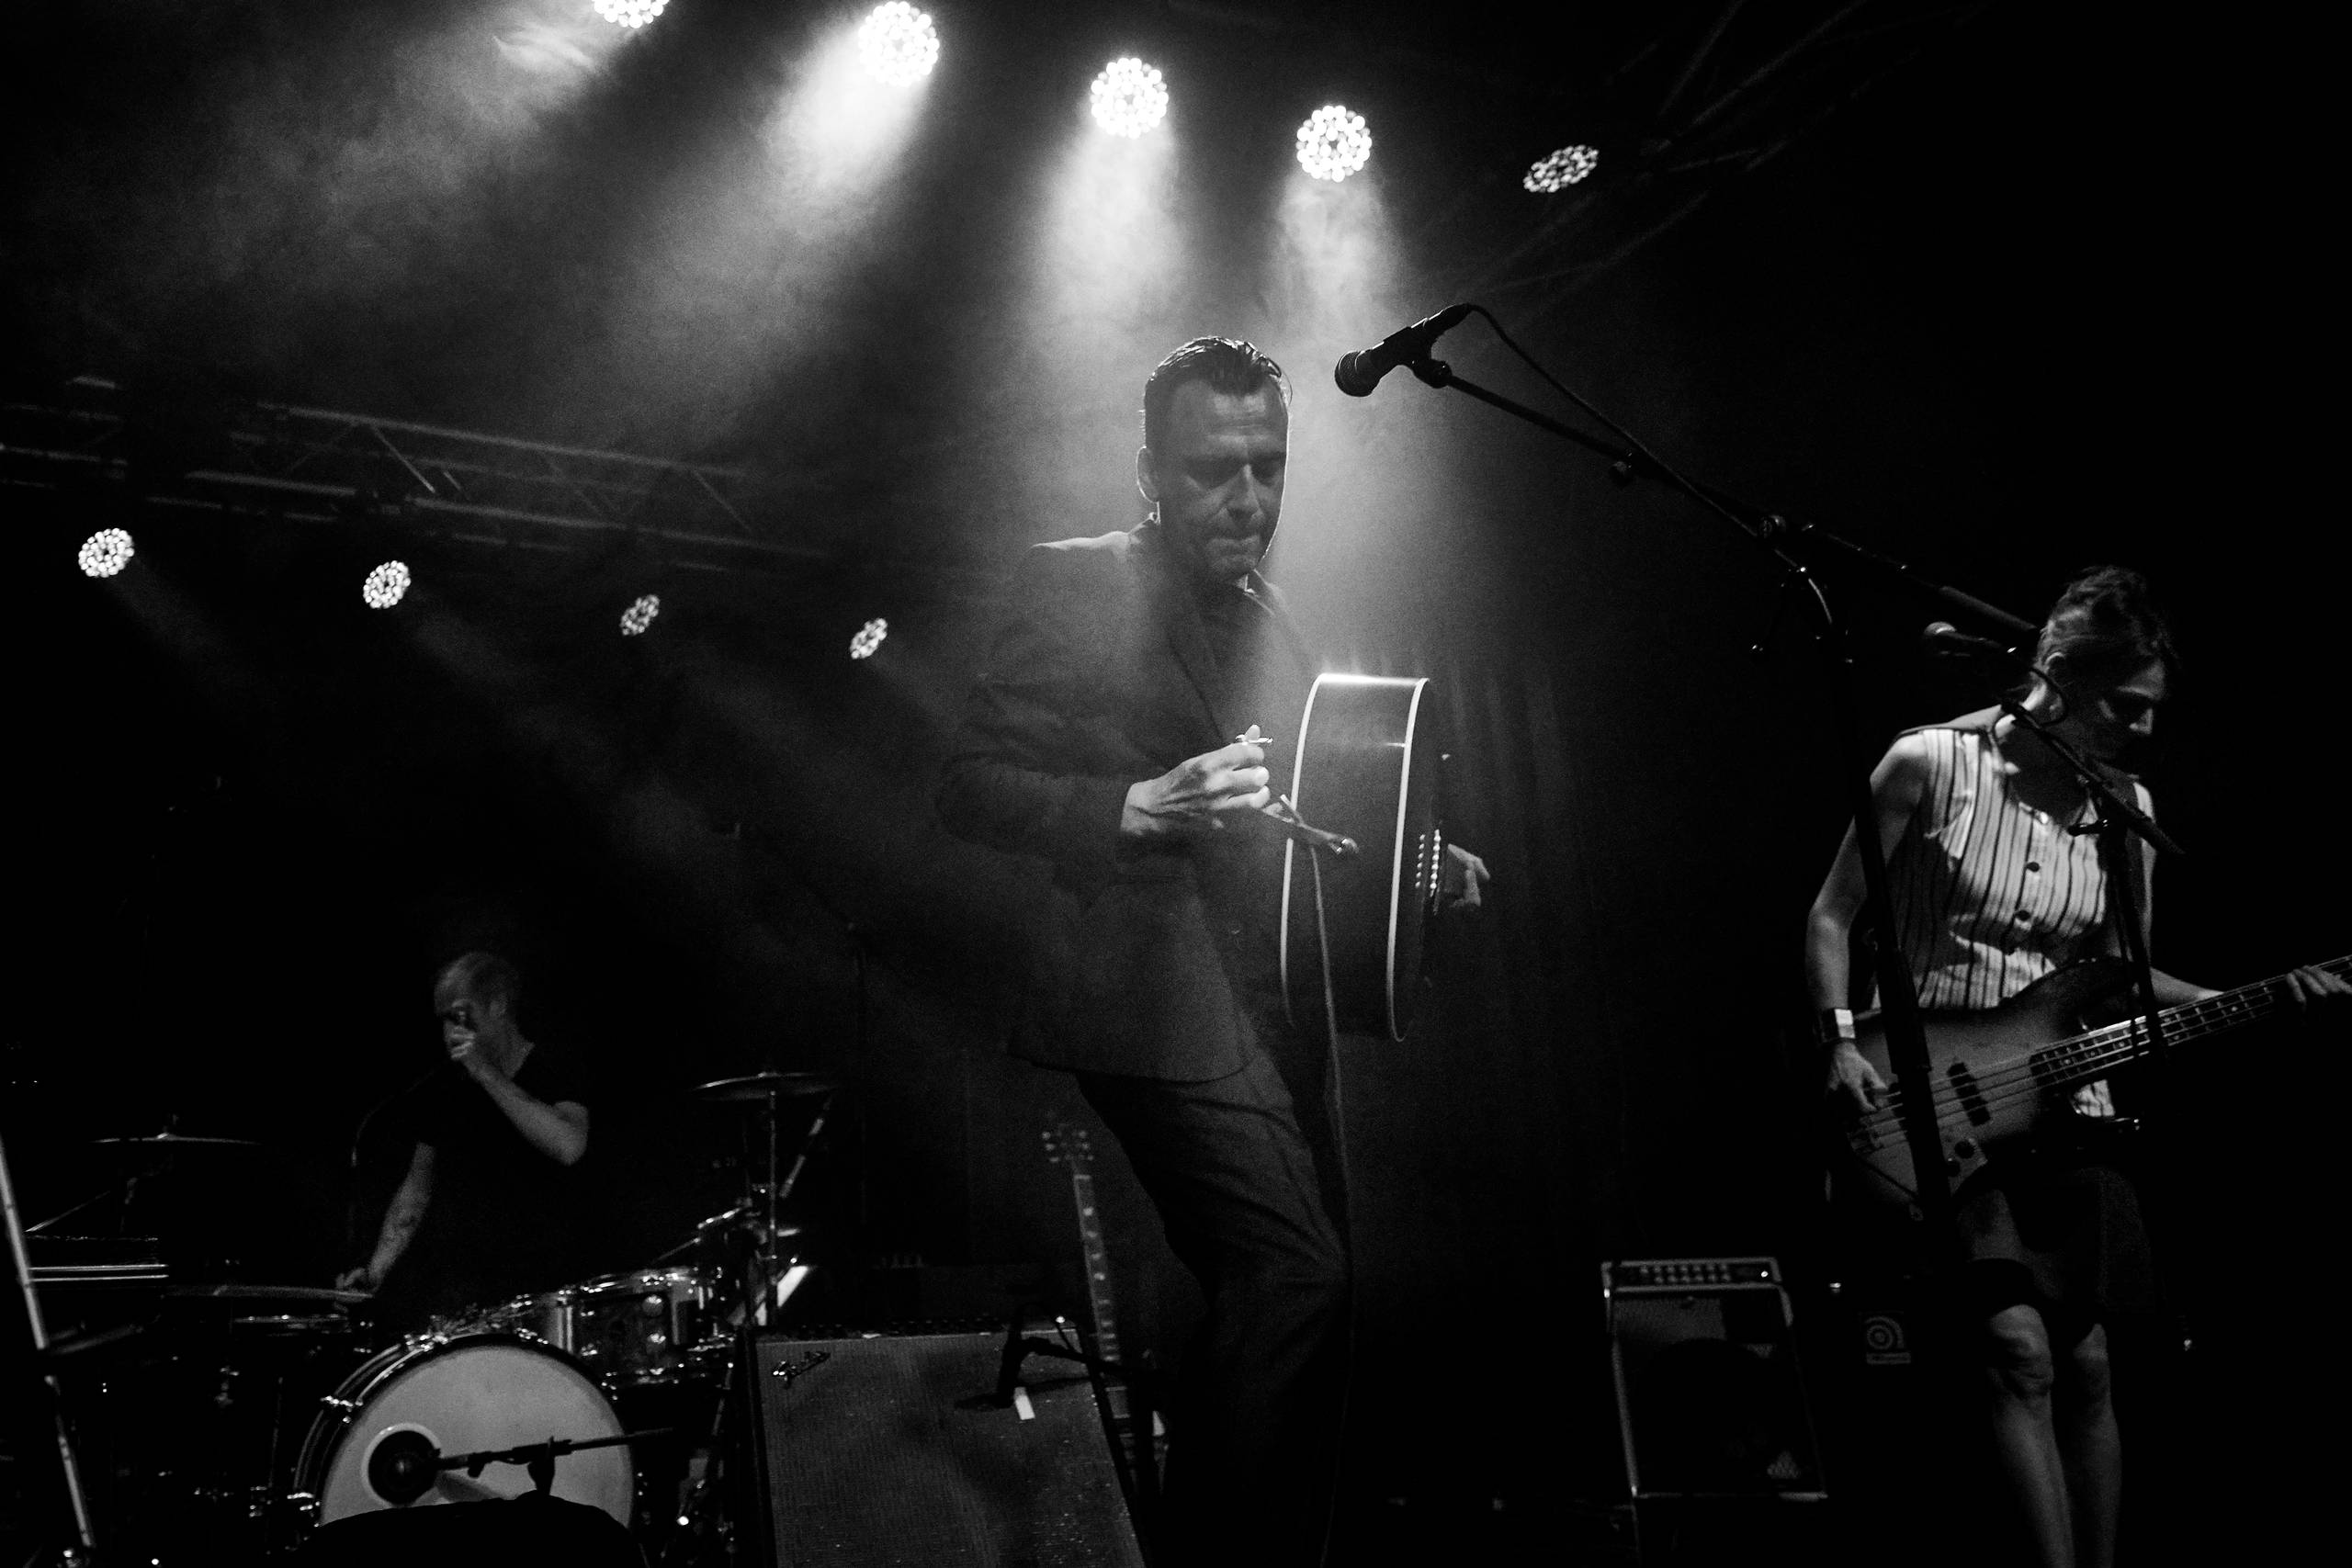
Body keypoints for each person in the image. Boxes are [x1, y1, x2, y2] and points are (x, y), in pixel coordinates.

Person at [937, 337, 1486, 1566]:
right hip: (1147, 997)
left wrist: (1417, 863)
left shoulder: (1272, 614)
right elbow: (965, 782)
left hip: (1269, 1002)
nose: (1248, 498)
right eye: (1212, 470)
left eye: (1268, 466)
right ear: (1149, 472)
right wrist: (1132, 804)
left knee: (1291, 1302)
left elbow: (1300, 805)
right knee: (1297, 1275)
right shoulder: (1075, 579)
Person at [1804, 565, 2346, 1568]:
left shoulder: (2123, 808)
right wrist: (1839, 1040)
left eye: (2153, 709)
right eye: (2124, 705)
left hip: (2069, 1102)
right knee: (2015, 1351)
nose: (2144, 728)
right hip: (1939, 1099)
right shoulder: (1926, 764)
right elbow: (1832, 915)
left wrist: (2259, 996)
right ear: (2056, 673)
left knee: (2090, 1363)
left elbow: (2119, 975)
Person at [339, 952, 595, 1328]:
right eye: (444, 1020)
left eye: (459, 1016)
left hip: (547, 1292)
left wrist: (486, 1074)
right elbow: (415, 1194)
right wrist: (375, 1271)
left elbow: (568, 1145)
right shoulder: (445, 1088)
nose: (449, 1033)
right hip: (468, 1295)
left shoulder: (553, 1065)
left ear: (497, 1005)